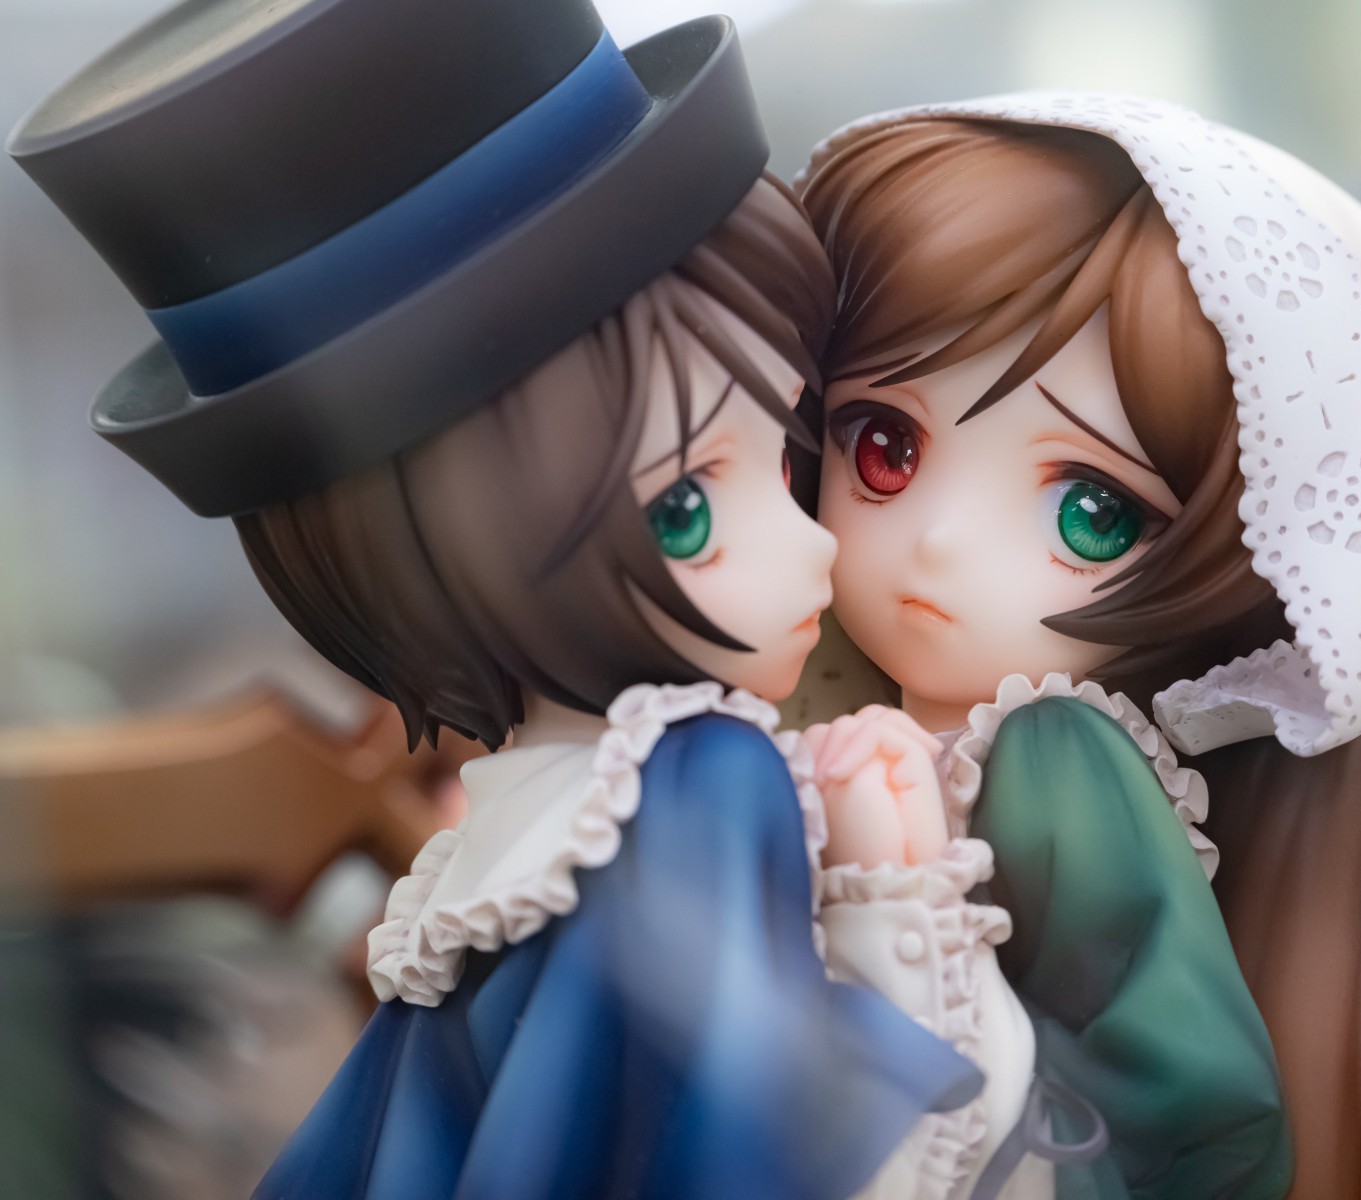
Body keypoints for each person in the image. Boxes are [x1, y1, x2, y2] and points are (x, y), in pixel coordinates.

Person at [9, 3, 980, 1196]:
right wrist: (890, 898)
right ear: (457, 558)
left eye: (788, 456)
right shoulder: (701, 776)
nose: (812, 545)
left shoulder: (506, 828)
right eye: (681, 512)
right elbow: (768, 1135)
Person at [796, 92, 1361, 1199]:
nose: (938, 545)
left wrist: (898, 905)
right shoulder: (815, 695)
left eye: (1091, 513)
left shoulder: (1054, 761)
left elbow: (1194, 1109)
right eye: (883, 447)